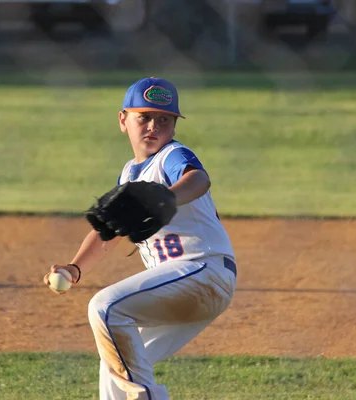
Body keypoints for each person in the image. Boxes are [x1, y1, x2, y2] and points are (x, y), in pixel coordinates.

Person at [44, 77, 237, 399]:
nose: (152, 126)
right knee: (114, 361)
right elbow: (107, 232)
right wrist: (75, 269)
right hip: (178, 289)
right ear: (123, 120)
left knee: (105, 307)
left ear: (174, 127)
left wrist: (169, 198)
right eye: (143, 117)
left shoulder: (172, 156)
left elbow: (198, 179)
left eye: (163, 119)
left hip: (203, 271)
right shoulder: (129, 174)